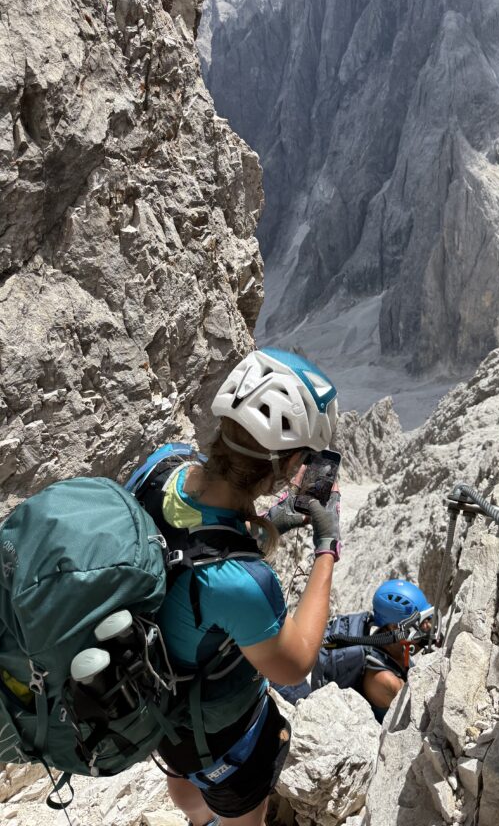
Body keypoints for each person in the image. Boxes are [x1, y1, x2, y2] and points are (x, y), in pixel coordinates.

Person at [150, 346, 342, 826]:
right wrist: (327, 548)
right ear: (290, 463)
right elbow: (294, 665)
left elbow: (189, 539)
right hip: (220, 734)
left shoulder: (163, 467)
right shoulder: (243, 582)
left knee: (188, 788)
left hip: (160, 709)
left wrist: (266, 521)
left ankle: (199, 820)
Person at [301, 580, 433, 722]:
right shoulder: (385, 680)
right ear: (395, 627)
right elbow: (422, 711)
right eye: (420, 622)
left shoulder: (391, 642)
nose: (428, 626)